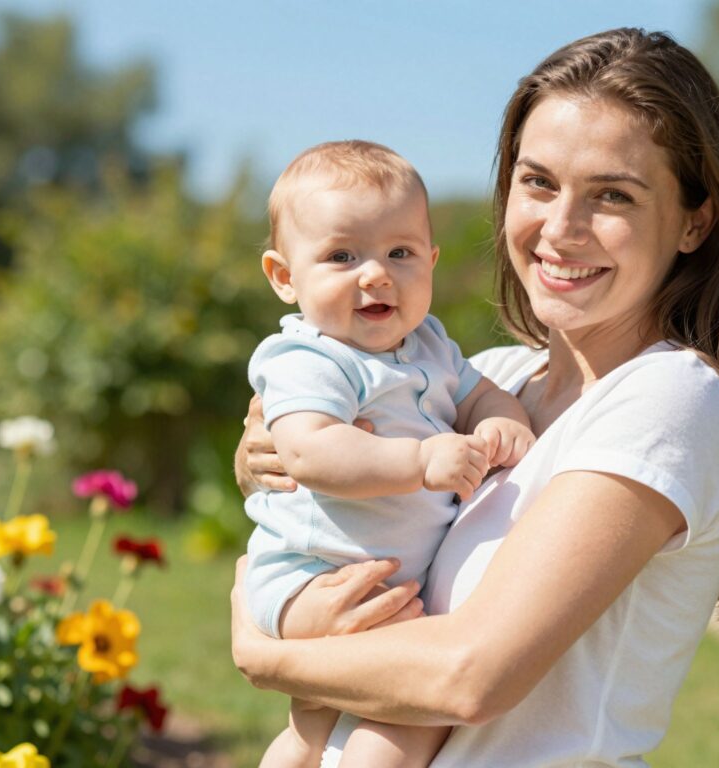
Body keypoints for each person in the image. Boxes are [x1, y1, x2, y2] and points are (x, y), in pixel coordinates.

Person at [232, 28, 719, 767]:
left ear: (695, 221)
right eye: (538, 183)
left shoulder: (668, 400)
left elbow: (469, 677)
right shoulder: (488, 377)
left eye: (612, 195)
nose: (560, 229)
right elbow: (323, 456)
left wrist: (266, 654)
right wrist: (267, 458)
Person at [244, 139, 536, 767]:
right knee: (408, 705)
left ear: (430, 261)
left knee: (318, 729)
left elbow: (479, 394)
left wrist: (502, 420)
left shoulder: (431, 344)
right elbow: (311, 452)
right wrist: (420, 462)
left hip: (376, 582)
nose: (375, 274)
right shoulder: (309, 357)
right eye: (341, 256)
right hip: (310, 577)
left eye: (399, 253)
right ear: (285, 277)